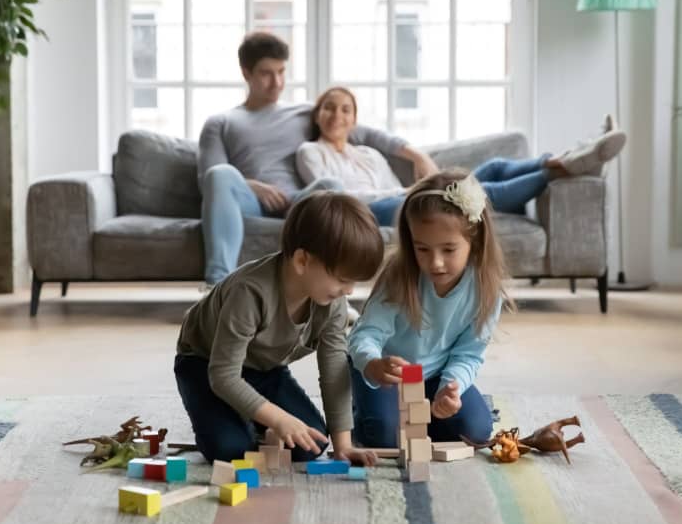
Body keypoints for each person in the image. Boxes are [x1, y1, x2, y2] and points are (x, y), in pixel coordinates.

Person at [198, 33, 438, 284]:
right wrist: (253, 186)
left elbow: (366, 133)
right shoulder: (222, 122)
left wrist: (417, 155)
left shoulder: (303, 113)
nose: (277, 82)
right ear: (246, 73)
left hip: (300, 202)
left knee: (331, 187)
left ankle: (333, 288)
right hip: (253, 202)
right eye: (266, 73)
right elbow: (208, 178)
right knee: (219, 174)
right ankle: (217, 284)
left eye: (281, 72)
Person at [174, 192, 384, 465]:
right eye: (343, 279)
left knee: (311, 443)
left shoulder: (333, 302)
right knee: (231, 449)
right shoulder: (249, 293)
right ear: (302, 262)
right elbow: (223, 376)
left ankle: (251, 416)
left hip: (264, 369)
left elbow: (333, 370)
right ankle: (230, 417)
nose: (349, 290)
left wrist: (343, 445)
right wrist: (278, 418)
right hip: (205, 364)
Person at [297, 86, 627, 226]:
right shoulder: (310, 151)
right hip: (364, 212)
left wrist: (407, 190)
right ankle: (567, 164)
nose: (336, 115)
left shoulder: (368, 153)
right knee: (475, 193)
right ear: (317, 115)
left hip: (398, 197)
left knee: (495, 167)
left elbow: (391, 183)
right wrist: (409, 193)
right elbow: (333, 194)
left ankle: (568, 159)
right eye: (328, 108)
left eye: (345, 109)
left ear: (354, 120)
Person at [347, 170, 508, 448]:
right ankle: (368, 411)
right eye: (423, 249)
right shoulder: (400, 276)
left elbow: (468, 354)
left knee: (477, 430)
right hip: (385, 372)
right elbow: (365, 334)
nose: (435, 263)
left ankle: (419, 416)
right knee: (384, 437)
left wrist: (451, 389)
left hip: (435, 375)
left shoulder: (486, 290)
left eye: (448, 250)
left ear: (475, 241)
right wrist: (372, 365)